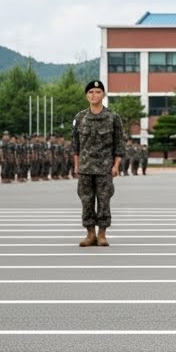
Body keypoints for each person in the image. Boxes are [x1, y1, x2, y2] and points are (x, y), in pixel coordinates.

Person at [71, 80, 124, 247]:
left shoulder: (113, 117)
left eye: (97, 91)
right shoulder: (80, 117)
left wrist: (116, 165)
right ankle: (90, 234)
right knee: (86, 201)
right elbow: (75, 145)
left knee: (104, 201)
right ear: (86, 95)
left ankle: (102, 234)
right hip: (85, 168)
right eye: (91, 92)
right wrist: (76, 165)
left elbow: (119, 145)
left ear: (103, 94)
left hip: (104, 168)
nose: (94, 95)